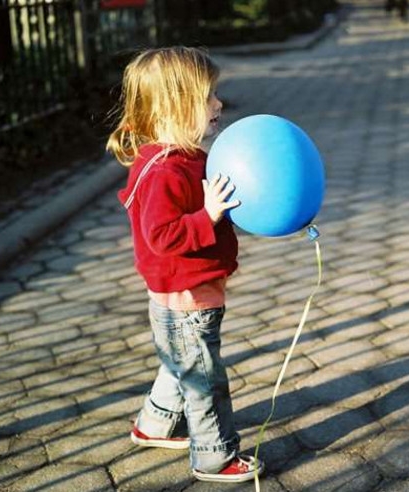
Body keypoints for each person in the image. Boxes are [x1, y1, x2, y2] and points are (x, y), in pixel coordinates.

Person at [106, 46, 264, 483]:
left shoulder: (185, 157)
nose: (218, 104)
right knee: (204, 380)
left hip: (187, 296)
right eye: (208, 96)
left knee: (180, 363)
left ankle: (153, 425)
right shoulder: (165, 171)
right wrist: (207, 216)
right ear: (174, 106)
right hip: (186, 300)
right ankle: (214, 456)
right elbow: (162, 236)